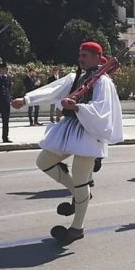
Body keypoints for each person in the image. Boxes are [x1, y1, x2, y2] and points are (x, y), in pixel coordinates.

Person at [10, 42, 123, 245]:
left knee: (81, 179)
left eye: (86, 55)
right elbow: (52, 90)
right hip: (70, 128)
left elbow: (102, 109)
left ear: (98, 57)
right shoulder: (76, 77)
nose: (81, 58)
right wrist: (26, 100)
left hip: (88, 132)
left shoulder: (102, 82)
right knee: (44, 161)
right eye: (80, 54)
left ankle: (77, 227)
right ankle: (77, 194)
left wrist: (77, 107)